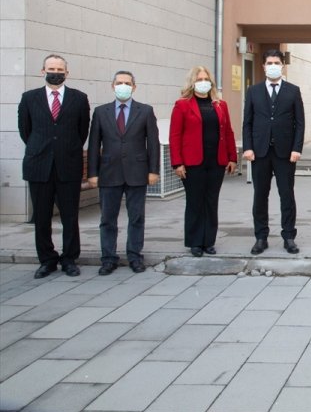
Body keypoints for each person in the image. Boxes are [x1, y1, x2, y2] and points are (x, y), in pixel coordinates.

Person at [18, 54, 91, 279]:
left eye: (60, 70)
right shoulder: (29, 98)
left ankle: (69, 259)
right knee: (42, 217)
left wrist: (64, 149)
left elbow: (82, 131)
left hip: (68, 166)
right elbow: (25, 131)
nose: (55, 73)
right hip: (39, 166)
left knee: (70, 216)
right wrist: (43, 148)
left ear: (67, 73)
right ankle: (47, 260)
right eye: (51, 69)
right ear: (43, 71)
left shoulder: (79, 98)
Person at [87, 71, 160, 274]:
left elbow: (153, 143)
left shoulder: (145, 111)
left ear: (134, 87)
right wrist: (92, 173)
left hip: (137, 172)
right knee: (107, 219)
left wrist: (153, 170)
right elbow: (94, 144)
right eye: (119, 83)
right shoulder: (101, 112)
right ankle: (108, 258)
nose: (123, 86)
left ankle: (135, 256)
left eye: (127, 83)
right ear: (113, 86)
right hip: (109, 172)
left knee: (136, 217)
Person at [243, 49, 305, 255]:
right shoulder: (253, 91)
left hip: (285, 153)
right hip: (260, 152)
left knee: (287, 195)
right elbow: (247, 122)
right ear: (263, 66)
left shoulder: (293, 91)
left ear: (282, 66)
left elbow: (300, 123)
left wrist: (297, 148)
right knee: (260, 196)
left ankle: (289, 236)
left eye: (276, 63)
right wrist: (248, 147)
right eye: (269, 63)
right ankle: (261, 237)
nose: (273, 66)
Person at [170, 67, 238, 257]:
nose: (203, 82)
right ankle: (195, 242)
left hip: (216, 161)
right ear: (192, 83)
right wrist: (177, 163)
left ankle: (209, 241)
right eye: (199, 79)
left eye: (206, 79)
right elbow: (175, 135)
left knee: (211, 201)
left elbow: (228, 132)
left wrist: (232, 157)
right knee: (195, 201)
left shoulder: (220, 104)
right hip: (192, 162)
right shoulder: (182, 105)